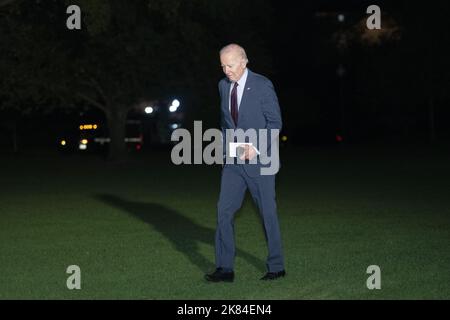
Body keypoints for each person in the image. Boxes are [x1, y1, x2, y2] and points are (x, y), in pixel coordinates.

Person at [205, 44, 285, 282]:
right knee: (223, 211)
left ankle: (276, 267)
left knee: (267, 213)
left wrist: (257, 147)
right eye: (222, 65)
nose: (226, 70)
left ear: (244, 62)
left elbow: (275, 124)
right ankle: (225, 269)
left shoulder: (262, 85)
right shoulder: (223, 86)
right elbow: (226, 123)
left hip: (261, 161)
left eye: (230, 65)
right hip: (233, 163)